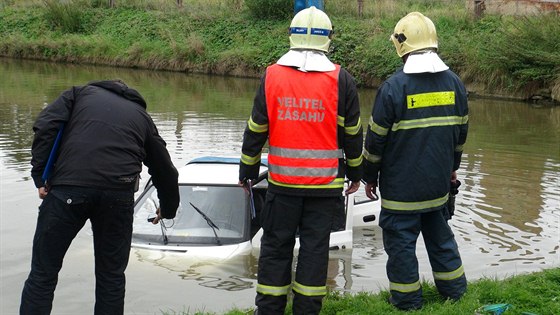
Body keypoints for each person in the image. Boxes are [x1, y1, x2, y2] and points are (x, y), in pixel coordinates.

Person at [238, 6, 363, 315]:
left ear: (291, 37)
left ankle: (268, 309)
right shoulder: (341, 80)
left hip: (282, 186)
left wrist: (248, 172)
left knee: (275, 249)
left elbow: (255, 130)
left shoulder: (272, 76)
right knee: (315, 251)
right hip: (325, 188)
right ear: (328, 40)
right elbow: (353, 135)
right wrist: (357, 174)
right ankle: (307, 310)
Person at [20, 80, 180, 315]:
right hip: (118, 195)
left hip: (68, 190)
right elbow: (165, 170)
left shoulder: (78, 94)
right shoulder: (141, 117)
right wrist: (167, 209)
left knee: (43, 274)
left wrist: (40, 175)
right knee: (111, 278)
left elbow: (46, 126)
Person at [362, 11, 469, 311]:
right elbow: (460, 135)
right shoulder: (455, 84)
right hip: (437, 188)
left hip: (400, 193)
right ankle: (456, 293)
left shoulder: (393, 89)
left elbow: (375, 143)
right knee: (441, 241)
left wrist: (369, 176)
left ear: (401, 46)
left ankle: (408, 302)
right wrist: (451, 168)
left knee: (401, 249)